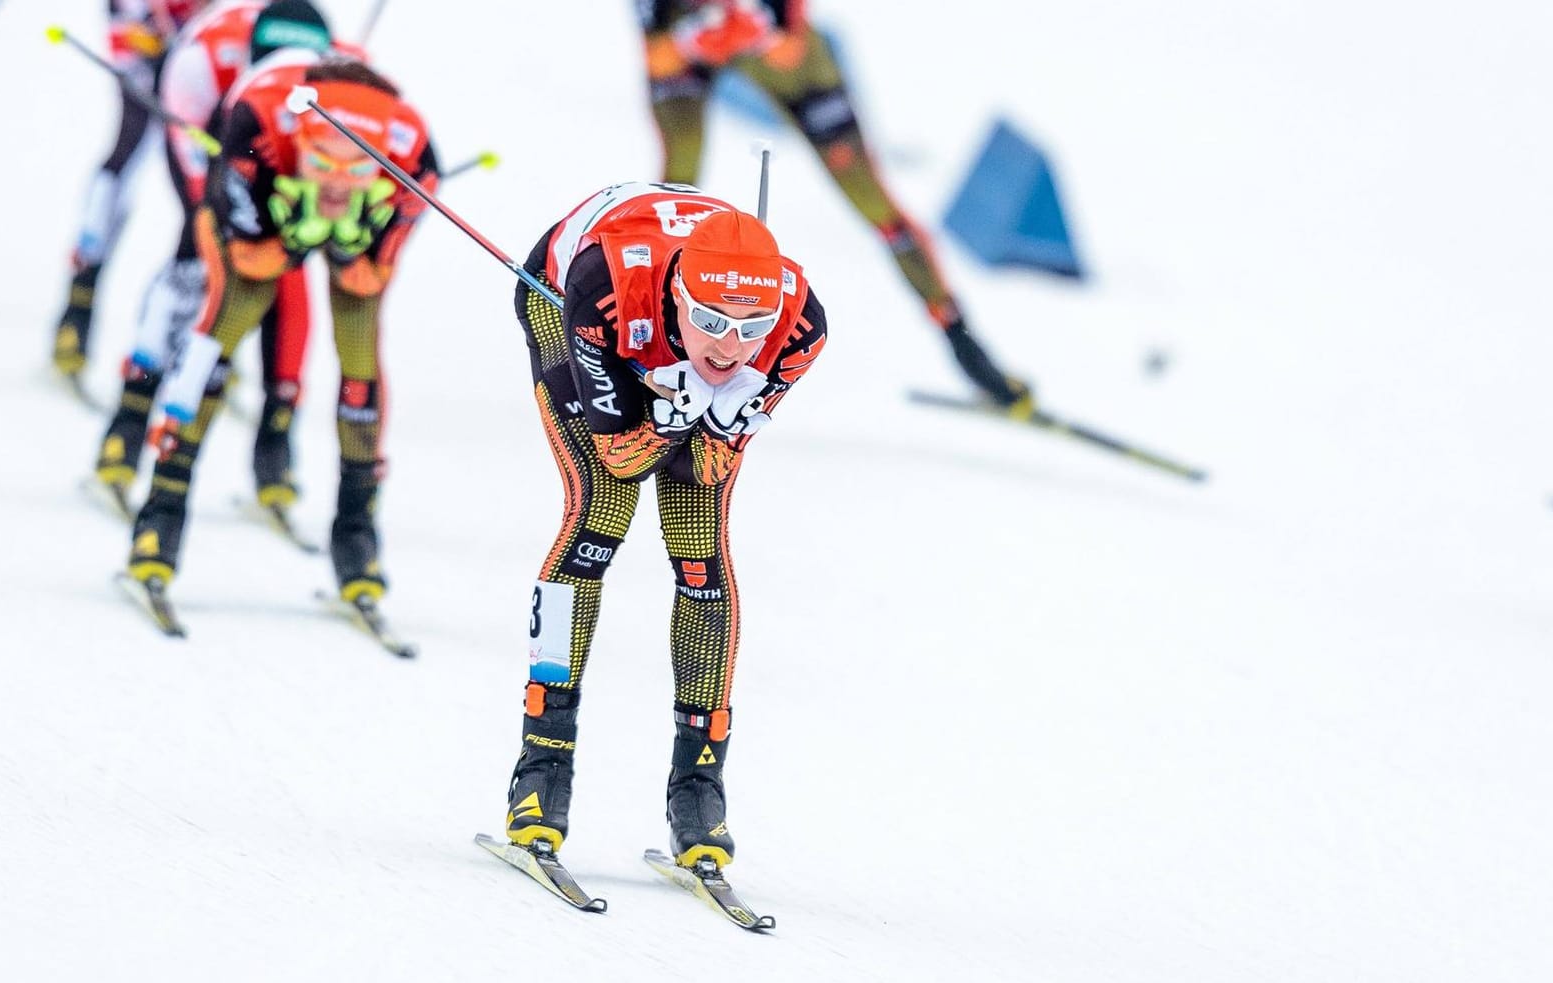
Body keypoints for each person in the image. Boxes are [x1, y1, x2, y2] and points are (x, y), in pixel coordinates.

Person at [500, 182, 827, 870]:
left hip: (656, 321)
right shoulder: (604, 282)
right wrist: (669, 415)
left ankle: (699, 785)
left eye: (749, 326)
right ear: (681, 295)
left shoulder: (800, 323)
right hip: (575, 303)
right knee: (601, 509)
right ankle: (543, 763)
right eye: (712, 319)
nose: (731, 345)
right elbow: (622, 452)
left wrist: (707, 417)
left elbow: (707, 464)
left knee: (700, 550)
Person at [124, 40, 438, 616]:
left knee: (359, 358)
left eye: (356, 169)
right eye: (325, 163)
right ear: (301, 143)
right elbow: (250, 260)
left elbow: (370, 276)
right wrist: (293, 235)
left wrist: (348, 254)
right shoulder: (257, 126)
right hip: (264, 193)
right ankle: (162, 510)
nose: (340, 183)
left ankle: (357, 530)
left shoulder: (415, 157)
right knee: (224, 322)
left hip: (332, 192)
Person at [639, 0, 1028, 410]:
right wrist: (696, 37)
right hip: (692, 31)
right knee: (674, 195)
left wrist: (760, 27)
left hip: (764, 32)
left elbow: (789, 50)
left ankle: (964, 343)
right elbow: (660, 56)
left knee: (874, 202)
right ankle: (650, 332)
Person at [91, 0, 321, 518]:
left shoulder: (324, 67)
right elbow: (201, 179)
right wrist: (231, 223)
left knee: (290, 272)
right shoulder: (202, 62)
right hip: (205, 136)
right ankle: (130, 419)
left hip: (277, 158)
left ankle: (275, 441)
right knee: (201, 256)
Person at [51, 0, 209, 384]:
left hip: (198, 63)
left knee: (203, 198)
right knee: (126, 156)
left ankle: (203, 334)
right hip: (150, 50)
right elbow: (125, 27)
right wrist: (152, 45)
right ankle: (77, 310)